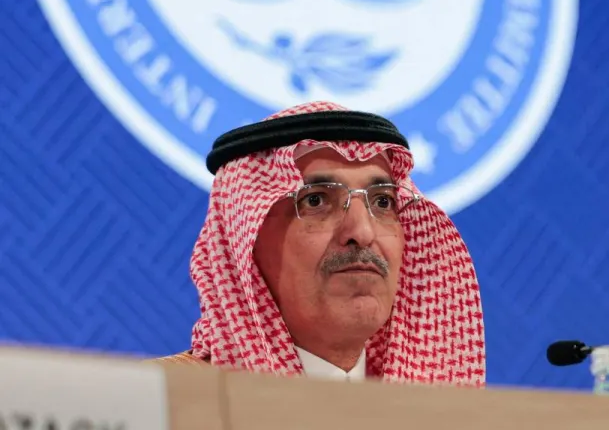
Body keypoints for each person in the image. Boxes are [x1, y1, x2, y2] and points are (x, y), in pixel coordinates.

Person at [159, 101, 485, 383]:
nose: (363, 232)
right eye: (316, 201)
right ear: (243, 241)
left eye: (384, 202)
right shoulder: (159, 406)